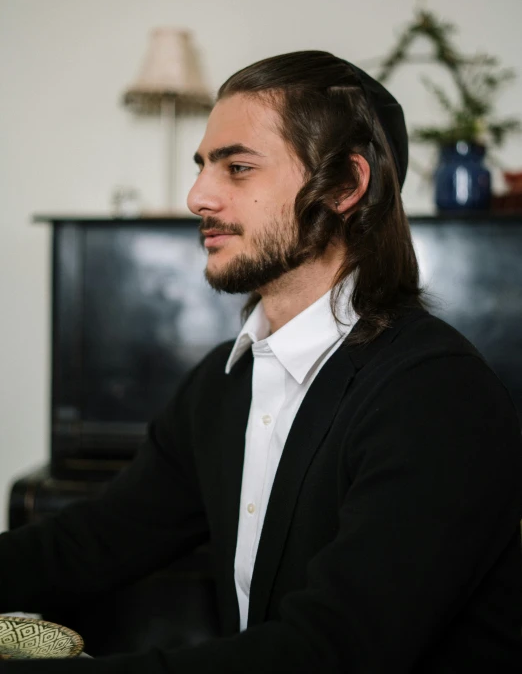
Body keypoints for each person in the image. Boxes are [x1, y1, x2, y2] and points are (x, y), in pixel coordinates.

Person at [1, 51, 521, 672]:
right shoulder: (227, 380)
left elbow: (328, 654)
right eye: (203, 168)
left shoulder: (436, 395)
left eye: (238, 168)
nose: (197, 196)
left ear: (346, 186)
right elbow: (93, 541)